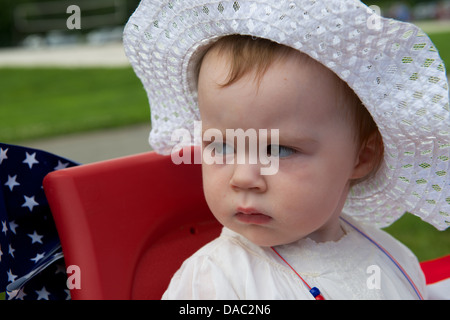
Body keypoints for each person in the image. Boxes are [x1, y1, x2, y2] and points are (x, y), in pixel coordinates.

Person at [123, 0, 450, 299]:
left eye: (279, 150)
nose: (244, 177)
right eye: (221, 146)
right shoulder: (216, 281)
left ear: (362, 157)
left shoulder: (392, 258)